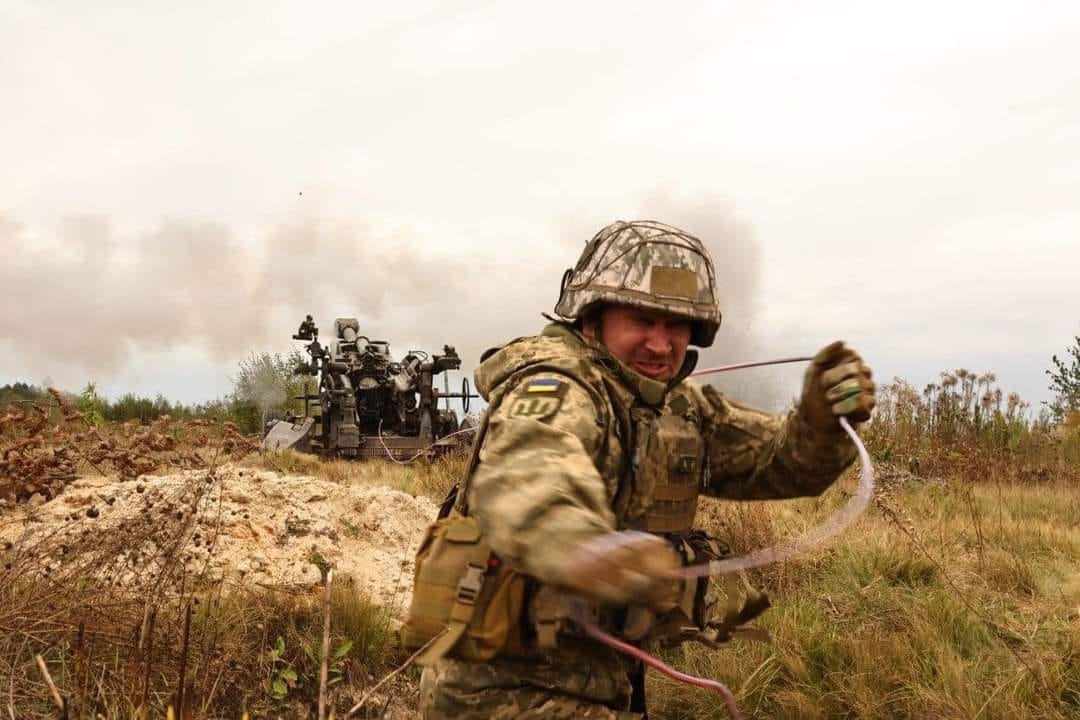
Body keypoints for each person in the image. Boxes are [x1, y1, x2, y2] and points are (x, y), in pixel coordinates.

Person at [418, 220, 876, 719]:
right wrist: (584, 550)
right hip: (500, 692)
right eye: (641, 319)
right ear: (592, 317)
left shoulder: (676, 407)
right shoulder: (556, 388)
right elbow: (530, 475)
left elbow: (780, 465)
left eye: (676, 325)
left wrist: (820, 423)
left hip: (605, 678)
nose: (660, 345)